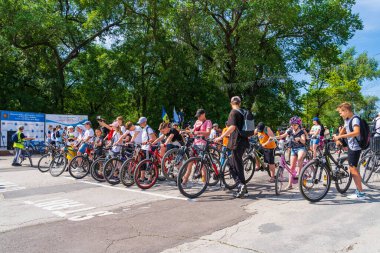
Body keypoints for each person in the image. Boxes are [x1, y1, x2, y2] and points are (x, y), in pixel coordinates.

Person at [215, 96, 250, 198]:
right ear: (240, 103)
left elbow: (232, 127)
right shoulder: (244, 112)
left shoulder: (233, 112)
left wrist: (220, 137)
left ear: (231, 103)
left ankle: (240, 185)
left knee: (234, 165)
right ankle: (244, 189)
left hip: (236, 142)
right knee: (236, 164)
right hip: (244, 141)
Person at [333, 102, 366, 200]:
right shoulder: (347, 119)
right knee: (352, 168)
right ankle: (358, 191)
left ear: (346, 111)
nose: (340, 114)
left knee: (353, 170)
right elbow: (344, 128)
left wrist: (340, 136)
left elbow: (356, 132)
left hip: (355, 148)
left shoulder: (355, 119)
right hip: (351, 146)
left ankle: (360, 193)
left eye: (341, 112)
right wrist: (338, 138)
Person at [277, 116, 307, 190]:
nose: (293, 126)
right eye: (292, 125)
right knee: (292, 167)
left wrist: (300, 139)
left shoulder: (301, 132)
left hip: (301, 148)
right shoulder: (290, 131)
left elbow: (304, 141)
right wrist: (273, 138)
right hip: (293, 149)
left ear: (298, 125)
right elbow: (282, 136)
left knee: (300, 158)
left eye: (295, 125)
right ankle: (290, 185)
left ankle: (299, 173)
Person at [138, 117, 157, 182]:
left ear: (145, 122)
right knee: (142, 163)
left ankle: (150, 178)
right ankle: (142, 177)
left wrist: (147, 142)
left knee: (148, 163)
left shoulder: (148, 129)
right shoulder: (143, 129)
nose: (140, 124)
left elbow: (154, 138)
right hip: (143, 148)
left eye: (141, 123)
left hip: (147, 148)